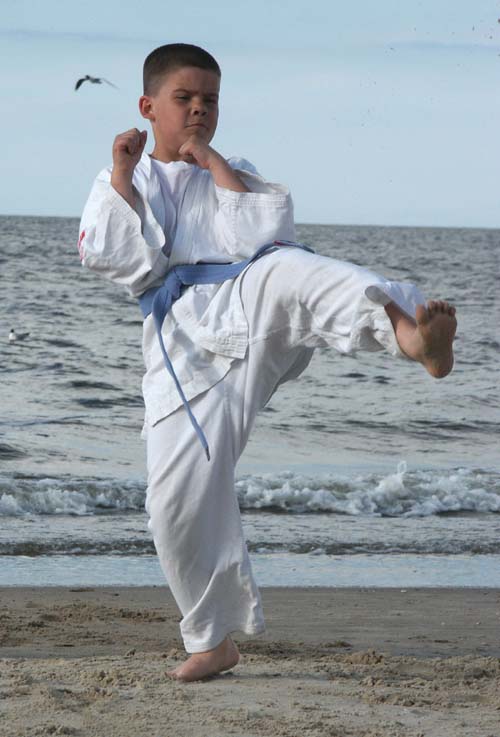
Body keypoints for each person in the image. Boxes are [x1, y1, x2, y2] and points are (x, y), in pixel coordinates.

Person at [78, 43, 457, 682]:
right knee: (173, 504)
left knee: (295, 270)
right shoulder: (125, 178)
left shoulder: (231, 169)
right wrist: (121, 172)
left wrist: (211, 162)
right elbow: (115, 259)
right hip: (184, 343)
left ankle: (409, 335)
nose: (199, 110)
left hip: (248, 298)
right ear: (147, 107)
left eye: (210, 100)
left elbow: (261, 236)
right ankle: (211, 640)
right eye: (184, 98)